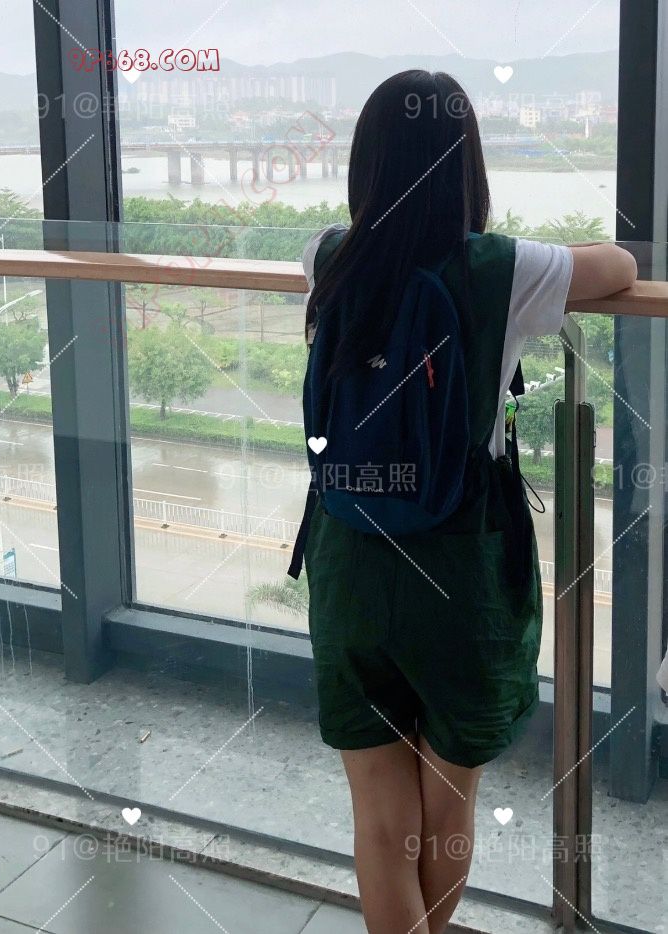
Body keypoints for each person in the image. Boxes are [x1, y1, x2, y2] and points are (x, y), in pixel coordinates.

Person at [292, 71, 637, 934]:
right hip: (458, 568)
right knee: (447, 811)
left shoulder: (326, 256)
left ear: (366, 164)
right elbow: (622, 266)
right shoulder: (501, 270)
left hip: (348, 555)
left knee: (380, 821)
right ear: (468, 166)